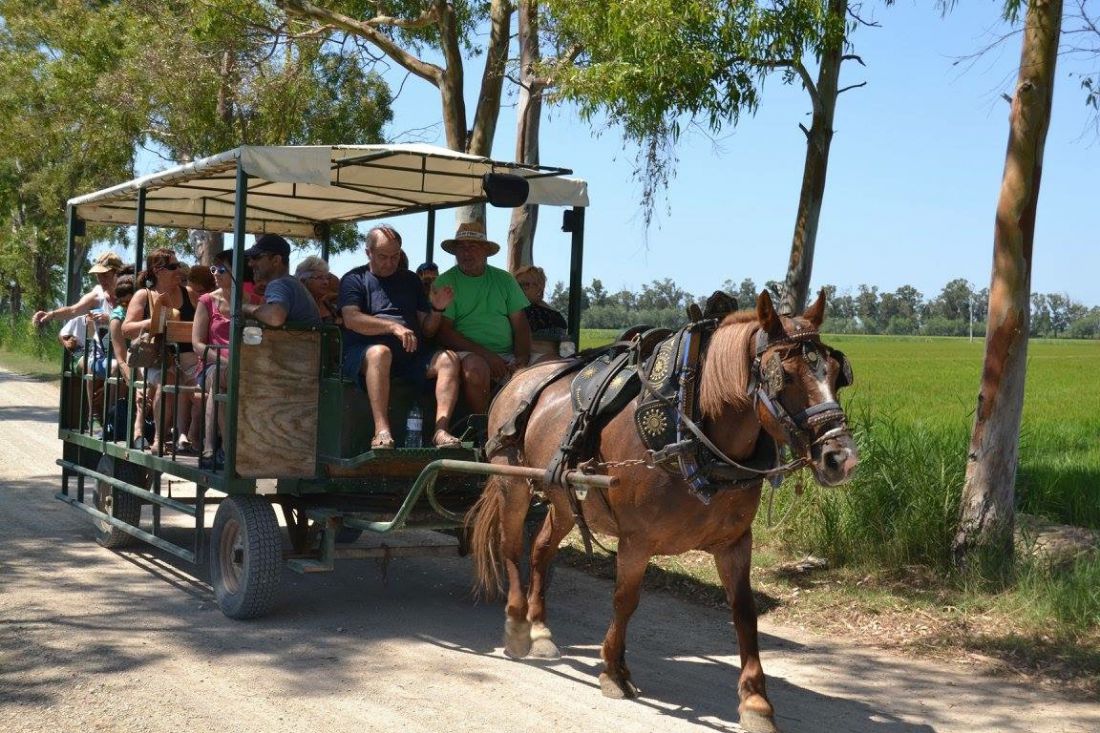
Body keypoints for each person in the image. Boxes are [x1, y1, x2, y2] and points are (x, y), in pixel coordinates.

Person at [339, 225, 462, 450]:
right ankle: (381, 431)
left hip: (410, 356)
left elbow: (427, 330)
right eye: (383, 256)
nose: (390, 262)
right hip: (365, 355)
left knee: (450, 359)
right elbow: (351, 319)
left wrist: (437, 310)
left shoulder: (410, 281)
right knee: (380, 353)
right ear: (368, 253)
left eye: (395, 256)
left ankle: (441, 430)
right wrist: (393, 327)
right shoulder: (354, 279)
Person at [433, 221, 531, 414]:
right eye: (461, 247)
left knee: (552, 368)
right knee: (476, 369)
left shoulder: (504, 280)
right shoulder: (444, 282)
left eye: (473, 246)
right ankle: (485, 430)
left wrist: (521, 359)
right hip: (467, 355)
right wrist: (488, 356)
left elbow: (520, 325)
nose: (466, 252)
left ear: (486, 251)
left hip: (508, 356)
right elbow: (444, 332)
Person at [122, 248, 201, 453]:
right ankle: (159, 439)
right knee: (167, 380)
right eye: (173, 267)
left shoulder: (189, 294)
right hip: (155, 358)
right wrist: (154, 321)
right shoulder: (144, 295)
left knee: (204, 394)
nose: (179, 271)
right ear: (158, 270)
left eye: (179, 265)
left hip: (189, 359)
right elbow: (126, 329)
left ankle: (193, 437)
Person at [192, 251, 235, 469]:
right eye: (213, 269)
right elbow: (197, 344)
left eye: (221, 269)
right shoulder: (207, 301)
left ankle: (216, 449)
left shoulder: (252, 302)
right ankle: (220, 449)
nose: (215, 274)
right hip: (210, 365)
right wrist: (224, 359)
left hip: (243, 367)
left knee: (224, 383)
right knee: (220, 376)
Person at [241, 234, 321, 327]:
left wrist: (244, 307)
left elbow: (275, 318)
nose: (250, 263)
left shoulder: (279, 284)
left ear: (276, 260)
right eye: (249, 259)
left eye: (256, 257)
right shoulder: (291, 283)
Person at [34, 251, 123, 329]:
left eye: (105, 275)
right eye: (98, 275)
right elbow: (73, 310)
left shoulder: (131, 295)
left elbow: (133, 327)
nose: (101, 280)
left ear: (118, 274)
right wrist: (51, 314)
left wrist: (111, 319)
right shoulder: (97, 295)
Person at [514, 265, 569, 363]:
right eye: (517, 285)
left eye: (525, 284)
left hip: (550, 362)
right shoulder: (512, 311)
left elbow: (565, 348)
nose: (519, 288)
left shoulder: (555, 316)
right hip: (521, 361)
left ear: (539, 287)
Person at [295, 255, 341, 324]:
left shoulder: (331, 306)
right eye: (319, 277)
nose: (326, 282)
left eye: (326, 277)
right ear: (303, 280)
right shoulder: (293, 307)